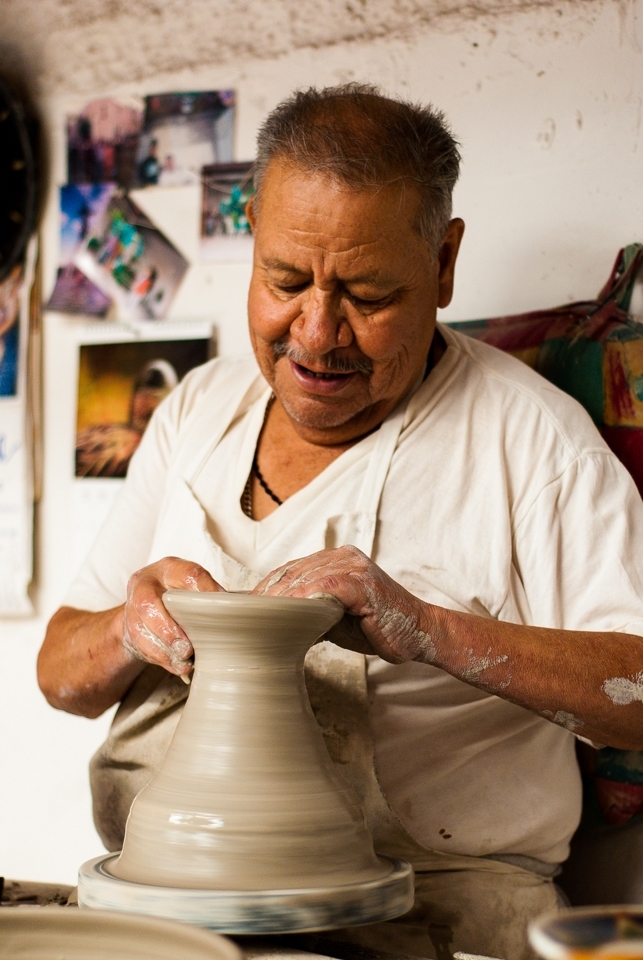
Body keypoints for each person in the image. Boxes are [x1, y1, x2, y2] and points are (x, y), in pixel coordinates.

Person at [39, 85, 643, 960]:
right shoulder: (195, 411)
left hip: (441, 912)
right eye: (285, 281)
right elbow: (59, 673)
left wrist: (429, 631)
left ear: (442, 263)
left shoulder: (533, 442)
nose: (317, 334)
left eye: (365, 293)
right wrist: (130, 629)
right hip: (170, 898)